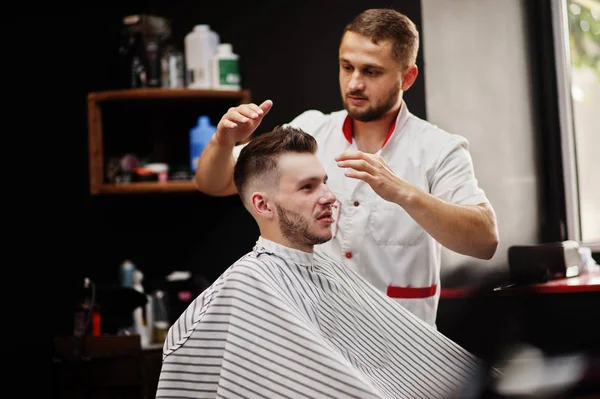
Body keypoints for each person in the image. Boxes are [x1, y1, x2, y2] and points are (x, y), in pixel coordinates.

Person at [194, 8, 499, 326]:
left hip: (402, 347)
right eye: (346, 67)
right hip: (322, 339)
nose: (354, 83)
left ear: (406, 77)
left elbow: (485, 240)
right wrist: (223, 140)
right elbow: (213, 183)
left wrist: (403, 193)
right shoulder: (311, 130)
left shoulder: (439, 149)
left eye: (371, 72)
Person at [157, 126, 484, 399]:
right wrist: (222, 141)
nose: (329, 196)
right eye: (308, 187)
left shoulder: (329, 274)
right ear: (263, 204)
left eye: (324, 181)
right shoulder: (246, 287)